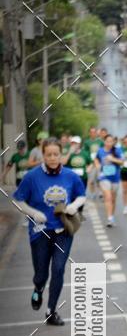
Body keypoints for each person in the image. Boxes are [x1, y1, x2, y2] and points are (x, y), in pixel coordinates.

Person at [13, 137, 86, 325]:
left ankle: (51, 311)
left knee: (59, 269)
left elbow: (82, 195)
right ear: (43, 155)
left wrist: (74, 206)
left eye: (56, 154)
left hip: (63, 230)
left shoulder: (70, 176)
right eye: (49, 155)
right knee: (41, 274)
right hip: (40, 232)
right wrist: (33, 212)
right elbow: (18, 199)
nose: (53, 158)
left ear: (61, 155)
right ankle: (38, 288)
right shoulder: (32, 176)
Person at [95, 134, 123, 227]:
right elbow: (96, 159)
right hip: (104, 177)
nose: (109, 143)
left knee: (113, 199)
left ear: (113, 142)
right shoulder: (100, 151)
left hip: (115, 177)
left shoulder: (117, 150)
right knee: (108, 197)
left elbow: (122, 161)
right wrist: (98, 165)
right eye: (107, 141)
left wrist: (113, 159)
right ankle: (109, 218)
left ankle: (111, 215)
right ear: (104, 141)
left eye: (111, 141)